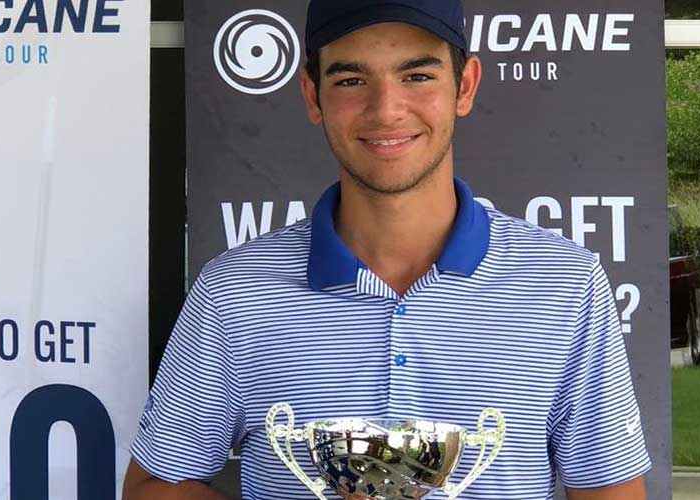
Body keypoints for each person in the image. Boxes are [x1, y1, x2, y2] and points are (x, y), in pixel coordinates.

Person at [123, 0, 651, 498]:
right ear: (312, 96)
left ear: (465, 86)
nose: (386, 109)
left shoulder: (564, 281)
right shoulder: (233, 291)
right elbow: (152, 487)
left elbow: (612, 490)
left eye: (417, 76)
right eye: (351, 80)